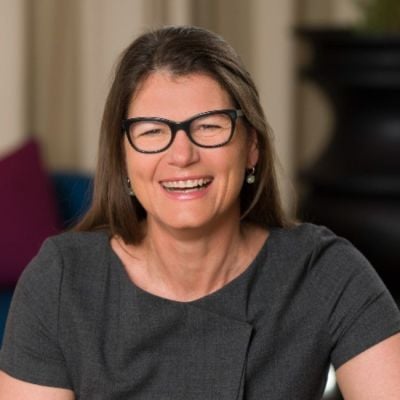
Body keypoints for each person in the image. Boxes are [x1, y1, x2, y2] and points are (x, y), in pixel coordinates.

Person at [0, 25, 399, 400]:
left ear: (252, 148)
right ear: (122, 159)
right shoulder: (62, 280)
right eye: (153, 130)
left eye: (209, 126)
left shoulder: (322, 272)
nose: (182, 155)